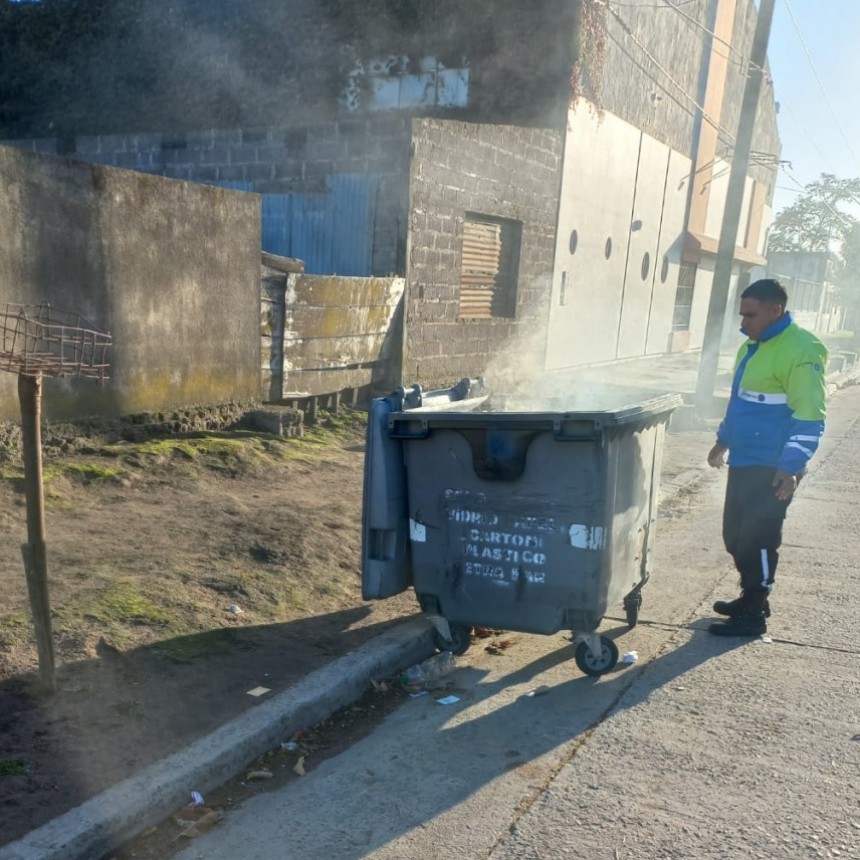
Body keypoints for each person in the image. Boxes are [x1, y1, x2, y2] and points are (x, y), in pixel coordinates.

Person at [707, 278, 828, 636]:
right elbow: (740, 402)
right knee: (734, 536)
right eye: (741, 315)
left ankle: (753, 613)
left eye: (750, 315)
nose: (743, 323)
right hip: (744, 460)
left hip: (773, 466)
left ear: (776, 310)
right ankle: (753, 596)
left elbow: (810, 417)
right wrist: (723, 441)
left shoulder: (801, 351)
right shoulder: (752, 346)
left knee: (758, 539)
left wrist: (790, 467)